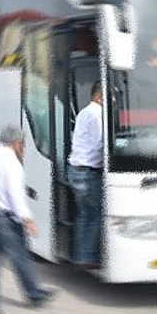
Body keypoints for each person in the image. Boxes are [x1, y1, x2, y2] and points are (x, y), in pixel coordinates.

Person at [0, 125, 55, 314]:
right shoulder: (12, 163)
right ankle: (34, 294)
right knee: (20, 257)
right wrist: (28, 220)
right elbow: (15, 195)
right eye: (23, 145)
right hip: (6, 219)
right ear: (16, 143)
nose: (24, 149)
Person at [67, 81, 104, 270]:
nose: (113, 101)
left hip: (76, 169)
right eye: (110, 97)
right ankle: (88, 257)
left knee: (84, 215)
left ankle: (80, 255)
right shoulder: (97, 114)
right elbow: (100, 144)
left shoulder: (84, 112)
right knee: (95, 215)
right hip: (88, 172)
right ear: (98, 96)